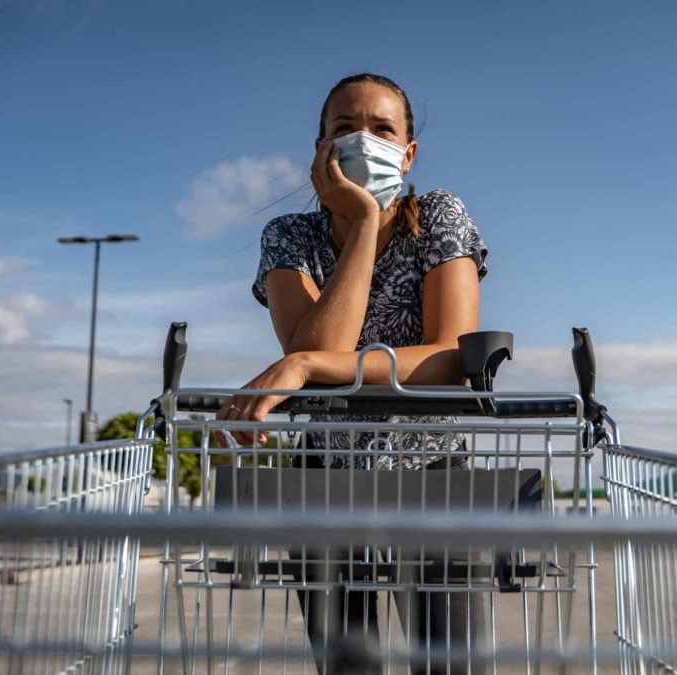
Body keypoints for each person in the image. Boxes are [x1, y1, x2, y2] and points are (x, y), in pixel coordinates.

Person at [215, 73, 489, 674]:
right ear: (319, 148)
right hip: (324, 478)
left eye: (381, 129)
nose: (362, 140)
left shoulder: (439, 216)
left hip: (432, 471)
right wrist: (363, 223)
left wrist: (308, 362)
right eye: (344, 128)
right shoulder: (289, 236)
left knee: (451, 663)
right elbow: (323, 345)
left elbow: (450, 359)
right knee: (348, 667)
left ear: (409, 153)